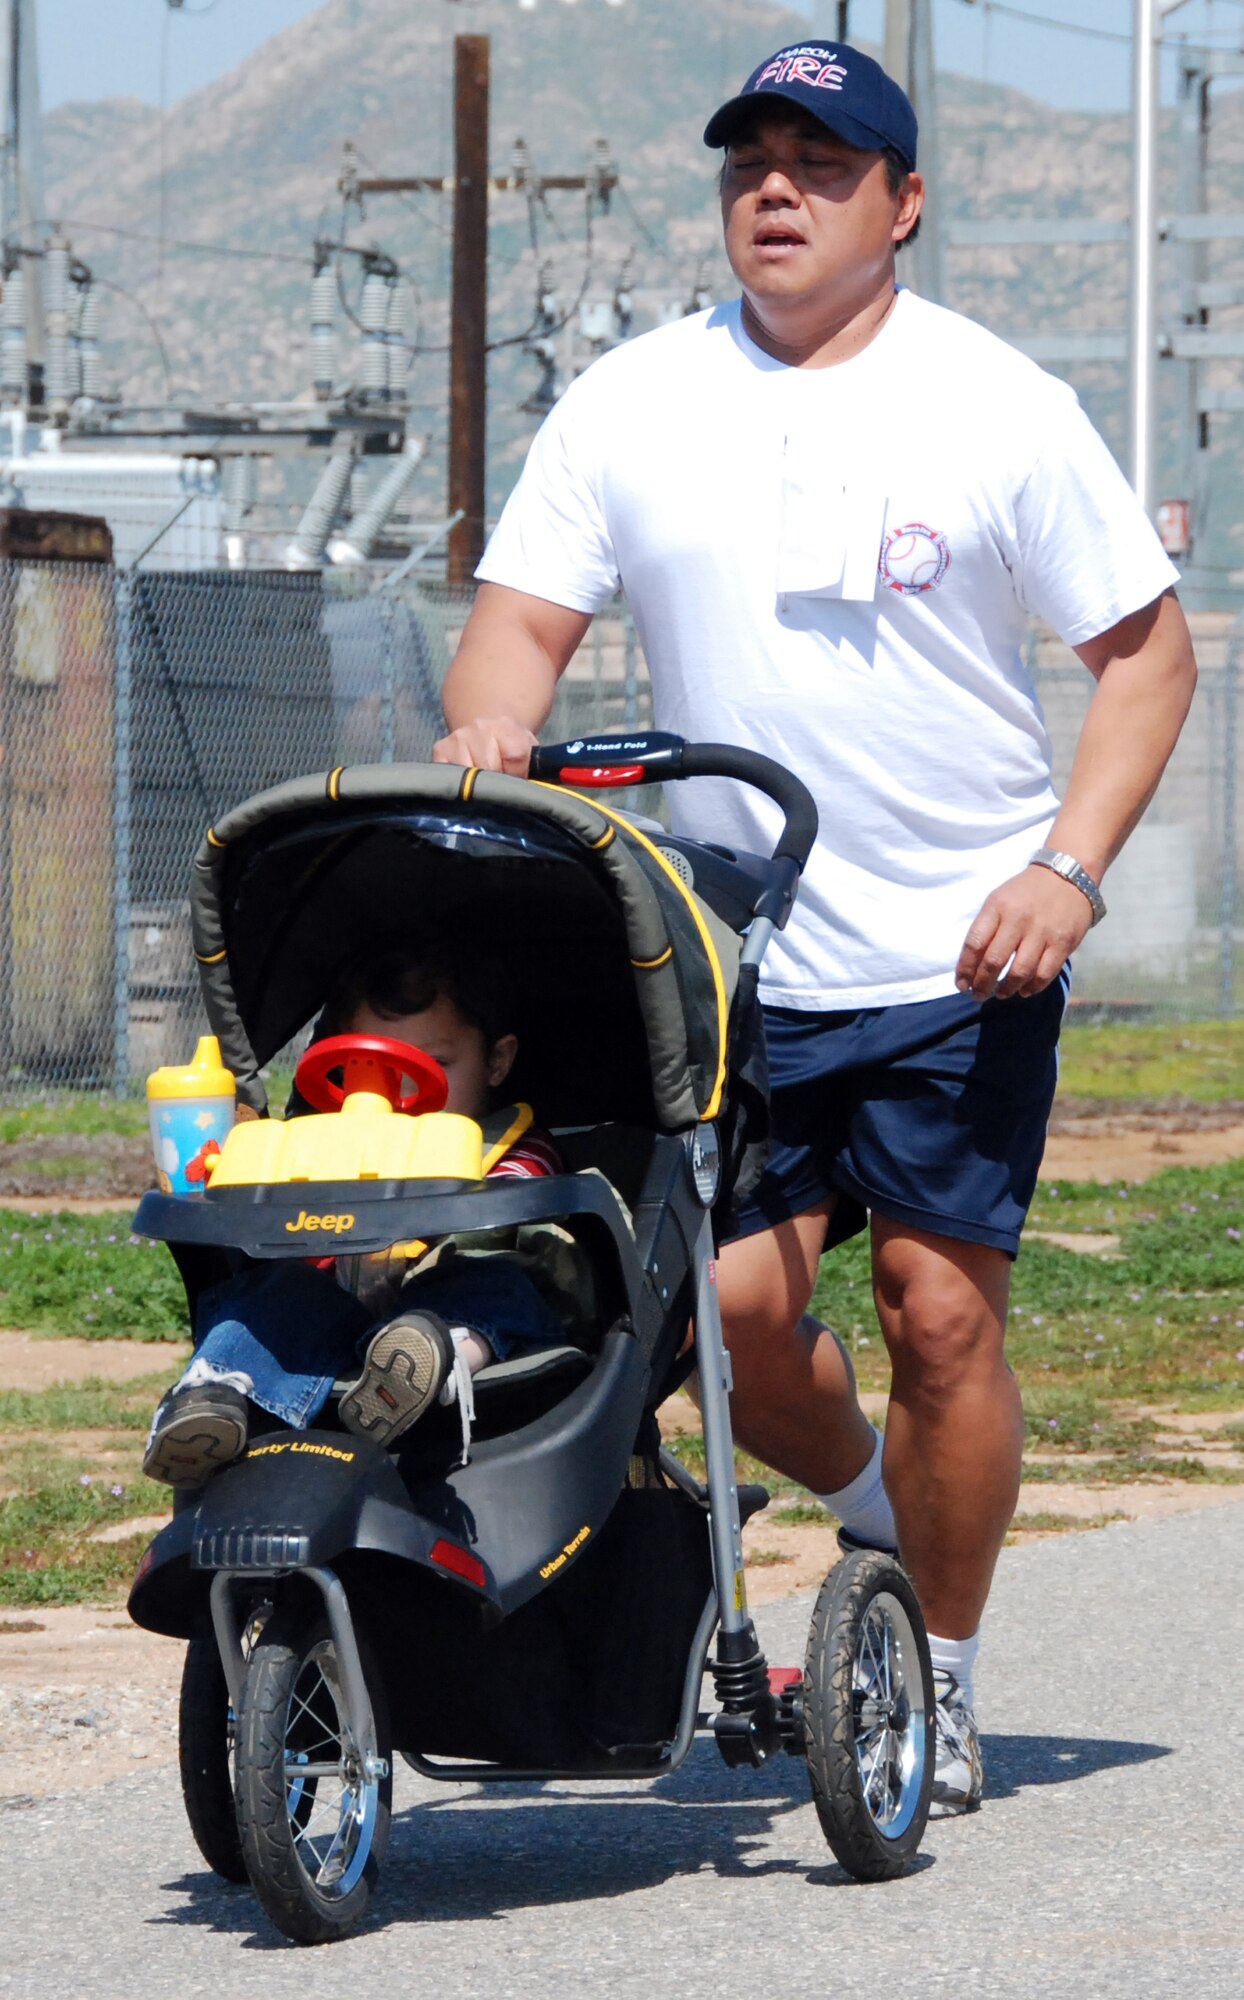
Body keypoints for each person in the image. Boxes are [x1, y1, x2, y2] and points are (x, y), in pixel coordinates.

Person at [431, 35, 1198, 1816]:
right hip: (724, 963)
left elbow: (1142, 658)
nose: (773, 190)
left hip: (955, 955)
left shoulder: (994, 402)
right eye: (747, 163)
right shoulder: (630, 400)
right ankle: (868, 1507)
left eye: (820, 164)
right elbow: (515, 630)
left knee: (938, 1317)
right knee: (728, 1319)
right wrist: (485, 721)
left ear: (900, 204)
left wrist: (1062, 873)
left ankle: (931, 1671)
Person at [143, 944, 565, 1488]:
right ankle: (216, 1392)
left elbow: (517, 1203)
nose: (403, 1093)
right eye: (380, 1069)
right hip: (338, 1307)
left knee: (496, 1282)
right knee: (275, 1293)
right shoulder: (319, 1143)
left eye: (433, 1067)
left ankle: (440, 1354)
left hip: (446, 1295)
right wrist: (235, 1178)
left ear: (497, 1061)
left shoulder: (513, 1146)